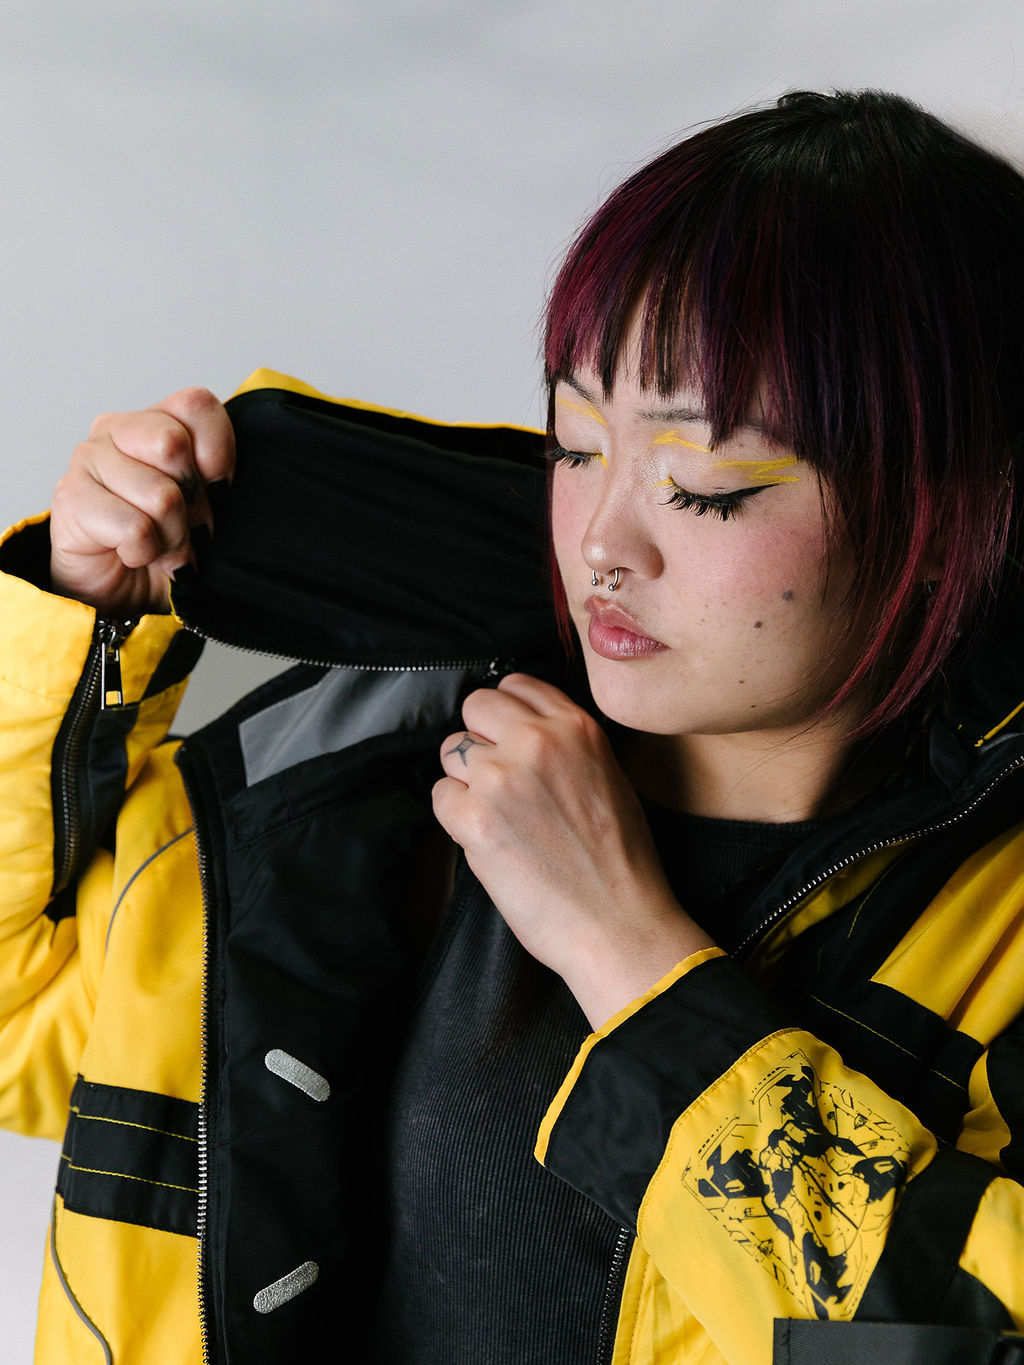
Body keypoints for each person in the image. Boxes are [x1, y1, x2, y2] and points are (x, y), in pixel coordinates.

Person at [2, 87, 1024, 1365]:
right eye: (577, 446)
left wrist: (627, 955)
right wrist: (80, 617)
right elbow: (21, 1026)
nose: (601, 545)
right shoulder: (351, 760)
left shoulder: (998, 926)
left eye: (705, 485)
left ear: (945, 520)